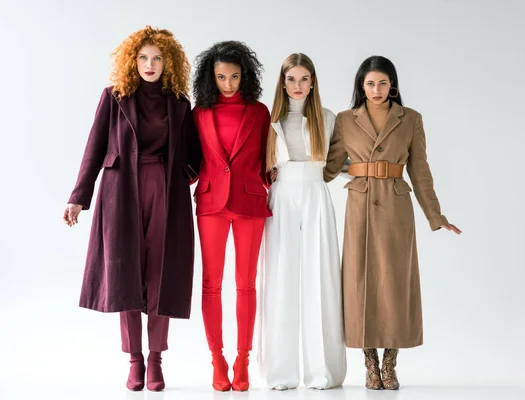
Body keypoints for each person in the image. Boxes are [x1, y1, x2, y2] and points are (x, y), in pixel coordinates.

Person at [63, 26, 201, 392]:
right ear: (132, 61)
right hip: (120, 192)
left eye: (157, 58)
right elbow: (93, 149)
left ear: (168, 62)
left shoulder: (179, 103)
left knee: (161, 275)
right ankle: (134, 360)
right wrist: (78, 196)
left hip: (166, 193)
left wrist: (181, 175)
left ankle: (156, 359)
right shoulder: (114, 97)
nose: (150, 64)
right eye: (143, 58)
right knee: (124, 275)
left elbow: (193, 156)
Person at [323, 56, 462, 390]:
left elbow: (421, 170)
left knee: (395, 283)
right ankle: (369, 364)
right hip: (359, 206)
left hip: (397, 207)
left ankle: (390, 364)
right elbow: (329, 167)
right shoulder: (344, 120)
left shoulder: (410, 119)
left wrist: (435, 214)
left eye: (382, 83)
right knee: (359, 283)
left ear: (393, 85)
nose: (376, 90)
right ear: (360, 86)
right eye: (369, 83)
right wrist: (290, 178)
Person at [257, 53, 347, 391]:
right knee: (279, 278)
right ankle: (280, 373)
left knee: (320, 276)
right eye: (291, 79)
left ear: (313, 82)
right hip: (281, 196)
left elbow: (338, 162)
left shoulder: (327, 118)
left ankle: (322, 371)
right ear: (283, 82)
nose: (298, 86)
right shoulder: (270, 120)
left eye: (304, 79)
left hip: (315, 193)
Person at [191, 40, 271, 392]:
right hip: (210, 203)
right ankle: (217, 358)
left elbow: (270, 157)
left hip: (251, 201)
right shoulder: (199, 112)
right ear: (211, 77)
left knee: (246, 284)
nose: (228, 84)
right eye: (221, 77)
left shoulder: (259, 112)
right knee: (211, 283)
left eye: (234, 77)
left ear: (245, 76)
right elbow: (192, 160)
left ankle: (243, 359)